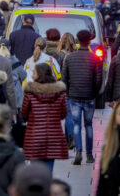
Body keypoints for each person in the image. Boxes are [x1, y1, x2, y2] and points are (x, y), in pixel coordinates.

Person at [62, 30, 102, 165]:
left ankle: (78, 151)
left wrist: (68, 92)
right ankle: (89, 155)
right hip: (89, 96)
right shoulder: (95, 58)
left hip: (74, 95)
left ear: (77, 41)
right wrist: (94, 92)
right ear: (89, 41)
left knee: (77, 124)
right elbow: (98, 79)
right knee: (89, 125)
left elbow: (64, 78)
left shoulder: (70, 58)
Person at [21, 63, 68, 172]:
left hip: (35, 137)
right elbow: (64, 114)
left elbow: (23, 114)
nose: (32, 76)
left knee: (35, 172)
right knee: (48, 171)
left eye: (34, 73)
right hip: (53, 138)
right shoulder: (59, 93)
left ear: (39, 75)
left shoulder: (30, 93)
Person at [56, 33, 77, 148]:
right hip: (75, 87)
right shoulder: (75, 54)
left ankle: (70, 137)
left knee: (67, 113)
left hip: (64, 87)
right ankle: (69, 138)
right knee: (72, 113)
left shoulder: (58, 55)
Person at [0, 40, 27, 110]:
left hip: (1, 96)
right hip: (16, 97)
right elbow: (24, 76)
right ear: (9, 48)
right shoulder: (15, 62)